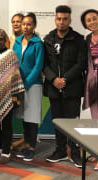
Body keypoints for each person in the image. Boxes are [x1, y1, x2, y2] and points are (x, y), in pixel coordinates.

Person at [43, 5, 87, 168]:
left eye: (65, 19)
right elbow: (45, 63)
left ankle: (75, 153)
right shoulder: (48, 39)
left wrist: (65, 79)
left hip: (72, 87)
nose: (61, 22)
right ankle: (60, 151)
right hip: (53, 87)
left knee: (73, 122)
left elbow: (81, 63)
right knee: (58, 122)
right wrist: (54, 79)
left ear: (70, 20)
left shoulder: (78, 39)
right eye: (58, 19)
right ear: (55, 19)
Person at [0, 29, 25, 163]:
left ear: (5, 40)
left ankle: (6, 152)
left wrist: (15, 96)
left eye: (0, 39)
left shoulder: (10, 55)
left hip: (8, 96)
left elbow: (15, 76)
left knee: (6, 125)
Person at [13, 12, 44, 161]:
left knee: (32, 117)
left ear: (34, 26)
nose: (25, 27)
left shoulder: (38, 43)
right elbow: (13, 61)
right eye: (23, 24)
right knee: (24, 116)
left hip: (33, 85)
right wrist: (17, 82)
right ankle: (26, 145)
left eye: (29, 24)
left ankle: (31, 147)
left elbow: (38, 66)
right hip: (19, 84)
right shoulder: (17, 41)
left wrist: (26, 83)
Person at [80, 9, 98, 171]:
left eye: (94, 19)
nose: (92, 22)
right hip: (93, 83)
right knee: (95, 119)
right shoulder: (86, 39)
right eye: (88, 20)